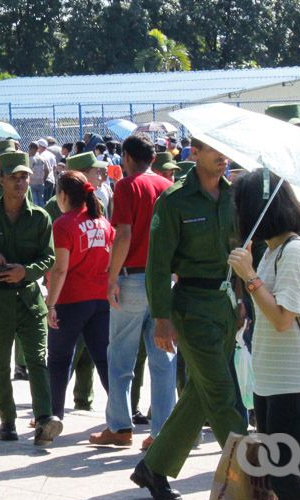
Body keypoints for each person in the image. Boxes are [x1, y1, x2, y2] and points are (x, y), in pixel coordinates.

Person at [132, 138, 247, 500]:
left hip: (226, 304)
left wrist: (243, 298)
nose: (222, 155)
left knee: (200, 394)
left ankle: (154, 466)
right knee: (222, 394)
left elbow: (240, 251)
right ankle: (252, 477)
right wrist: (162, 317)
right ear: (194, 153)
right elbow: (158, 263)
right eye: (213, 148)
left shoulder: (234, 196)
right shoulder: (175, 200)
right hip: (192, 307)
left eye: (225, 148)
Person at [227, 172, 300, 500]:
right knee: (273, 474)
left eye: (240, 207)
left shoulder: (294, 252)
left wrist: (249, 277)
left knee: (284, 476)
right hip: (269, 382)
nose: (236, 215)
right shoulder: (270, 251)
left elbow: (283, 319)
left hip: (294, 383)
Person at [0, 151, 63, 446]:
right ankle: (7, 421)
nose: (21, 182)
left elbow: (49, 257)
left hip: (29, 300)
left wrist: (26, 271)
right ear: (1, 180)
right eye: (14, 177)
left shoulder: (40, 217)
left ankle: (44, 419)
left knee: (37, 360)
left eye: (24, 177)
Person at [89, 135, 176, 450]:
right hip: (163, 282)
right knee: (164, 359)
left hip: (133, 279)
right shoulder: (167, 186)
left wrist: (111, 278)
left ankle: (119, 426)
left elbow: (123, 233)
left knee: (121, 358)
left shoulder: (127, 186)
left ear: (125, 156)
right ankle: (163, 432)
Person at [45, 167, 113, 422]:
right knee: (105, 361)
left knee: (59, 360)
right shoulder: (102, 222)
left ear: (62, 195)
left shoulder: (63, 225)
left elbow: (60, 268)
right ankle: (121, 417)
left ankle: (52, 416)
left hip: (71, 301)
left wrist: (50, 304)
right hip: (100, 300)